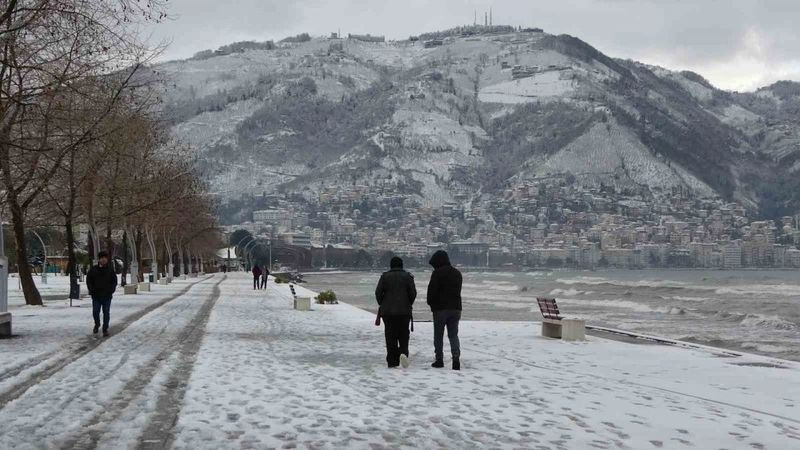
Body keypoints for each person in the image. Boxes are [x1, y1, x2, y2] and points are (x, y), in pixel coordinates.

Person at [375, 256, 416, 368]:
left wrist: (382, 304)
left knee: (390, 335)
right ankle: (403, 353)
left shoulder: (384, 277)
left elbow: (378, 293)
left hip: (388, 312)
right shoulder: (408, 277)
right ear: (402, 265)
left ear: (391, 265)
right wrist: (408, 303)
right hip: (404, 312)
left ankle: (392, 361)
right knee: (403, 334)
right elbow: (413, 293)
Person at [426, 250, 462, 370]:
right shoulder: (457, 273)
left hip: (440, 309)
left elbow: (431, 292)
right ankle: (456, 358)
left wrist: (432, 305)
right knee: (453, 335)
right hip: (456, 309)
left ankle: (439, 360)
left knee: (438, 335)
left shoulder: (437, 274)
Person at [86, 251, 118, 337]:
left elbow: (114, 281)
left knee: (106, 312)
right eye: (102, 258)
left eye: (105, 258)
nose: (103, 259)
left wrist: (111, 290)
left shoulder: (110, 270)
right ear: (99, 259)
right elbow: (89, 280)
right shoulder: (93, 269)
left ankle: (105, 329)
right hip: (96, 295)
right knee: (95, 311)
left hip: (107, 295)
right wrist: (91, 290)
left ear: (107, 259)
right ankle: (97, 324)